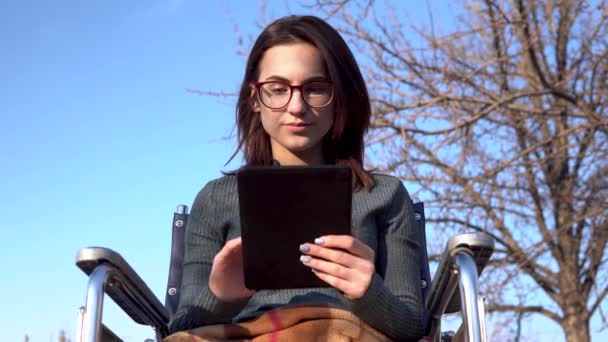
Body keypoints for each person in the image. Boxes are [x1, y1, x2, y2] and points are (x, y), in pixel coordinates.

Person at [168, 15, 426, 341]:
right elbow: (183, 329)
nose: (296, 106)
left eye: (315, 89)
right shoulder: (216, 198)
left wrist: (367, 292)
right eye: (277, 89)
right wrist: (222, 297)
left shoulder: (384, 195)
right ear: (255, 99)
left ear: (340, 96)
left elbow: (412, 327)